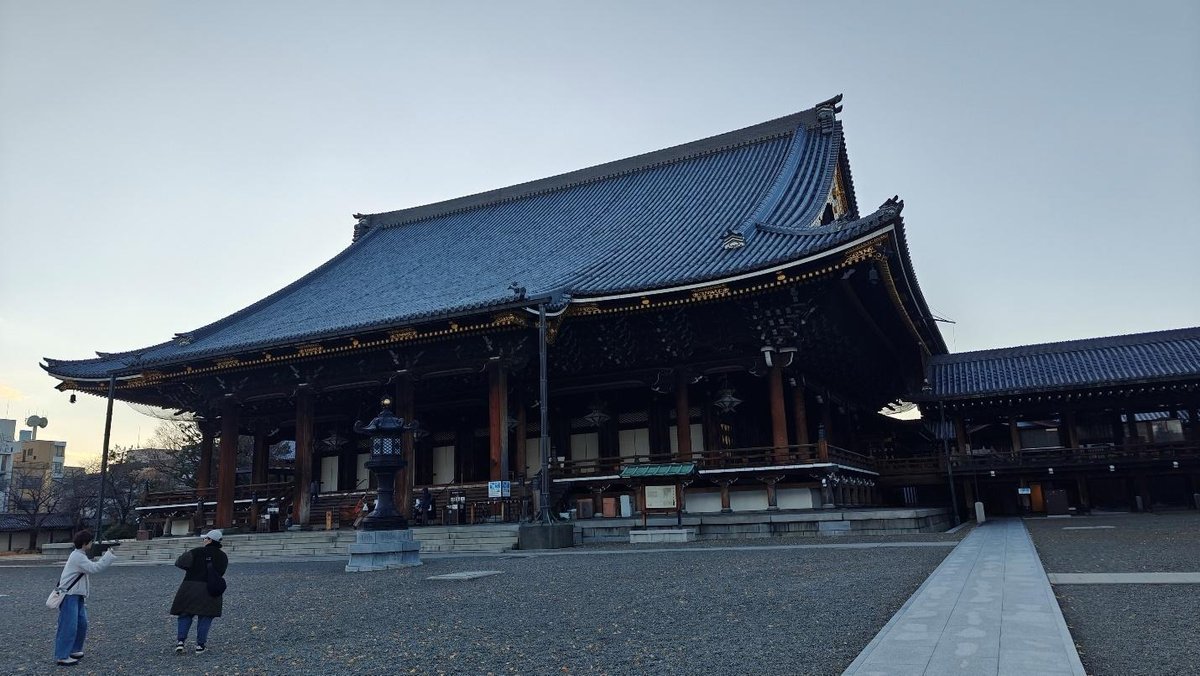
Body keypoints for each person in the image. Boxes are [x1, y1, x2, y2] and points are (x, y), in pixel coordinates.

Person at [54, 529, 117, 666]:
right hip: (70, 594)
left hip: (76, 594)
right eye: (90, 541)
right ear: (85, 543)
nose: (91, 543)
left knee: (81, 623)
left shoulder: (78, 555)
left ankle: (74, 649)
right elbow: (95, 568)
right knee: (68, 626)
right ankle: (62, 655)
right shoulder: (78, 557)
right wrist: (108, 555)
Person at [170, 529, 228, 655]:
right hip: (210, 589)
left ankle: (180, 642)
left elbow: (179, 563)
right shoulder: (223, 556)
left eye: (205, 538)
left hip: (190, 587)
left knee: (185, 614)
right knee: (205, 616)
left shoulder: (196, 551)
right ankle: (200, 645)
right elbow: (221, 572)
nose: (203, 540)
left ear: (209, 540)